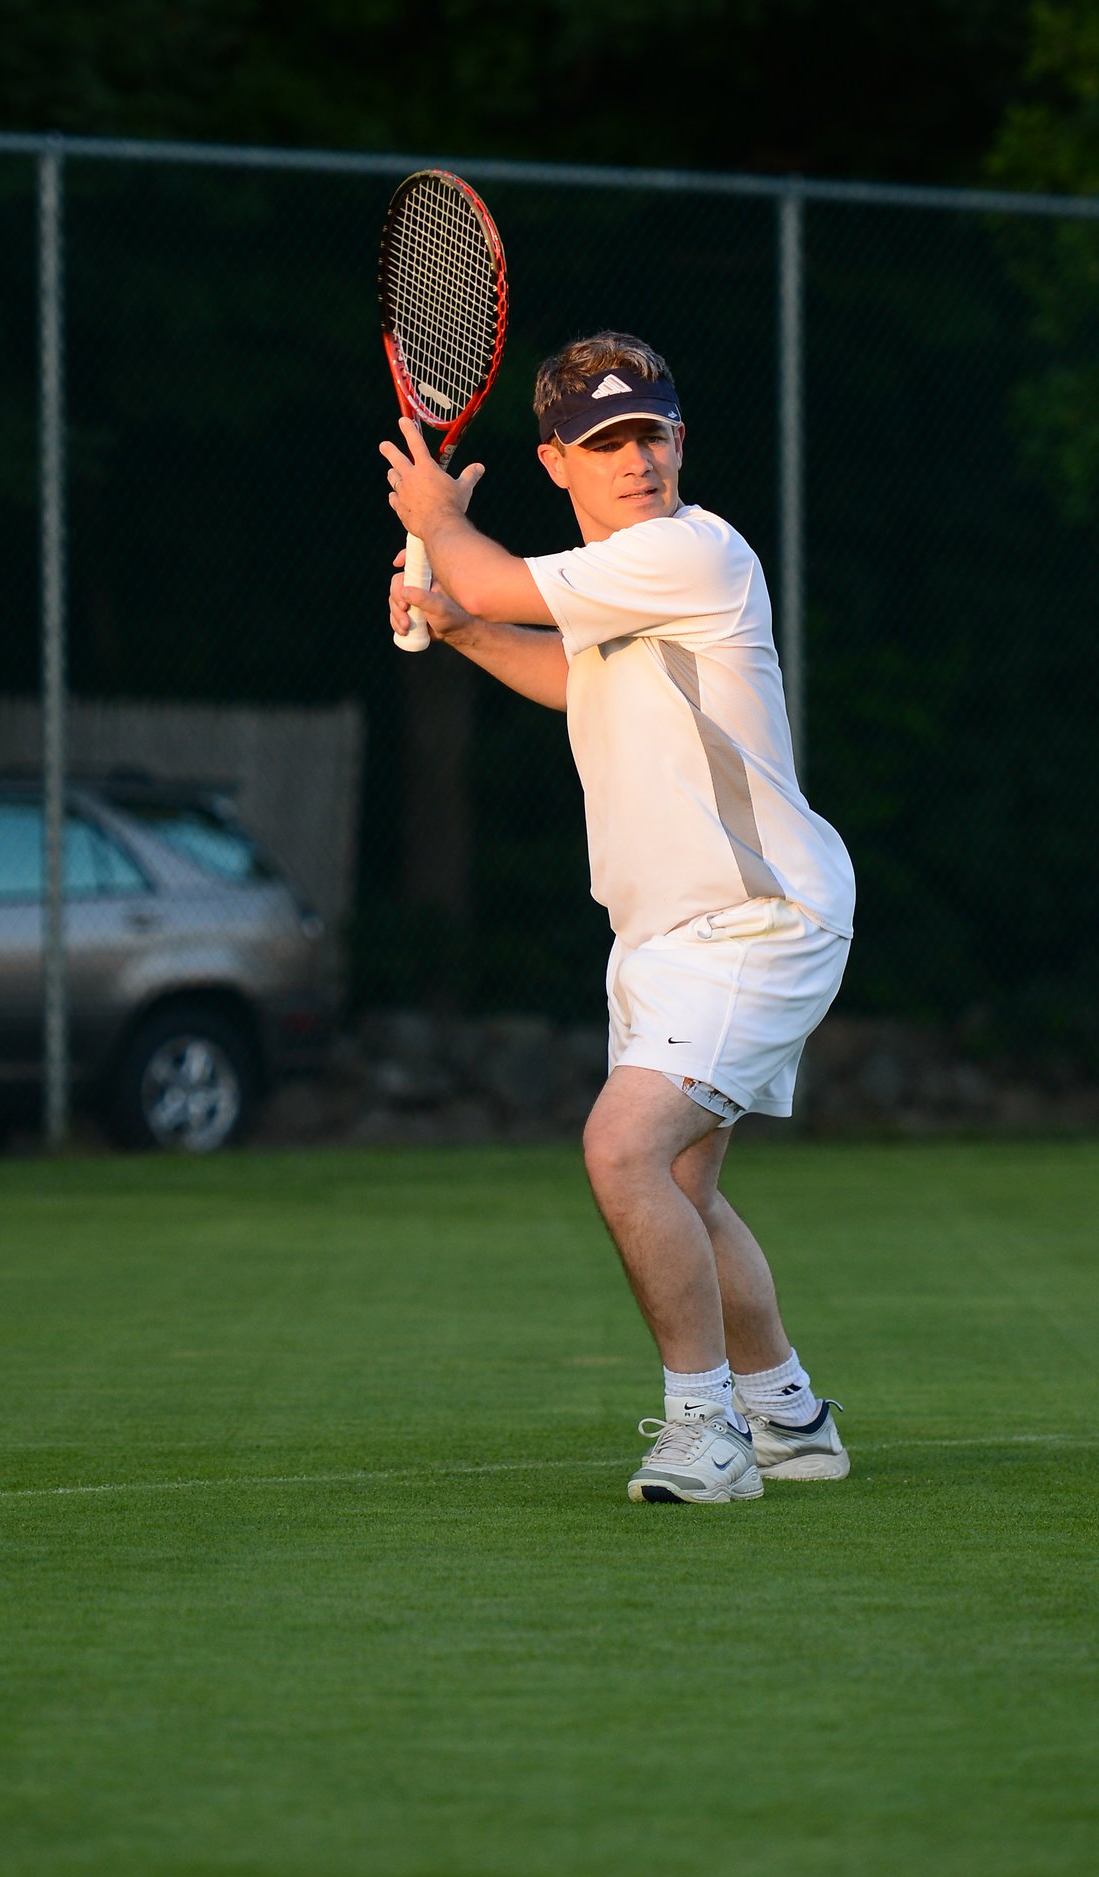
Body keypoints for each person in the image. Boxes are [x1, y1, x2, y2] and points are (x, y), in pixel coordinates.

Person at [380, 331, 855, 1506]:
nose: (633, 458)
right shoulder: (620, 583)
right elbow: (565, 668)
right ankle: (788, 1417)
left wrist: (437, 521)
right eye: (604, 441)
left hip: (755, 920)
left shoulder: (691, 550)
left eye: (649, 433)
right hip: (661, 936)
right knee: (682, 1188)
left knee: (618, 1151)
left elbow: (491, 576)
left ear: (678, 441)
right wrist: (460, 628)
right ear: (557, 461)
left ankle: (705, 1436)